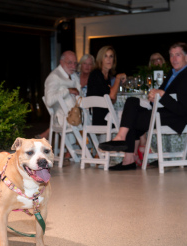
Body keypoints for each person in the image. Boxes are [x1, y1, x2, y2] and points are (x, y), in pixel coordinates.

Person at [99, 42, 187, 171]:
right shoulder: (172, 73)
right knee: (132, 102)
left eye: (178, 55)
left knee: (131, 117)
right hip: (162, 112)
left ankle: (127, 156)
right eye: (171, 55)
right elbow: (161, 97)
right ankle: (123, 141)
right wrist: (153, 98)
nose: (174, 59)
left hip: (176, 117)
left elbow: (183, 109)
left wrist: (162, 94)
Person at [43, 50, 81, 149]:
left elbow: (80, 93)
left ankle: (77, 150)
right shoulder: (54, 77)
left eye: (75, 63)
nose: (73, 66)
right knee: (96, 120)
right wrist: (67, 91)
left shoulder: (74, 75)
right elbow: (49, 100)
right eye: (70, 63)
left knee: (96, 116)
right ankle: (79, 150)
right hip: (64, 118)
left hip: (76, 115)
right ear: (61, 62)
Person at [87, 45, 126, 126]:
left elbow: (112, 100)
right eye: (106, 56)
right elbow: (112, 96)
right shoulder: (96, 74)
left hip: (106, 115)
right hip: (100, 118)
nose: (109, 59)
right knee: (129, 120)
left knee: (131, 117)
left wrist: (112, 96)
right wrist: (118, 78)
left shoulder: (106, 77)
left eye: (111, 56)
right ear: (101, 59)